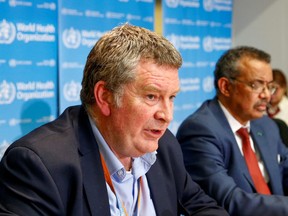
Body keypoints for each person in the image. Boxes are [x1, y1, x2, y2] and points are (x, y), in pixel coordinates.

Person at [0, 24, 228, 216]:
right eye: (152, 97)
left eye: (172, 98)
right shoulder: (39, 164)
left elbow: (201, 206)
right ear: (105, 97)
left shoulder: (164, 145)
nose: (167, 115)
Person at [176, 46, 288, 216]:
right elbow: (229, 200)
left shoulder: (266, 125)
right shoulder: (199, 131)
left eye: (269, 86)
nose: (266, 95)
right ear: (226, 86)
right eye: (256, 85)